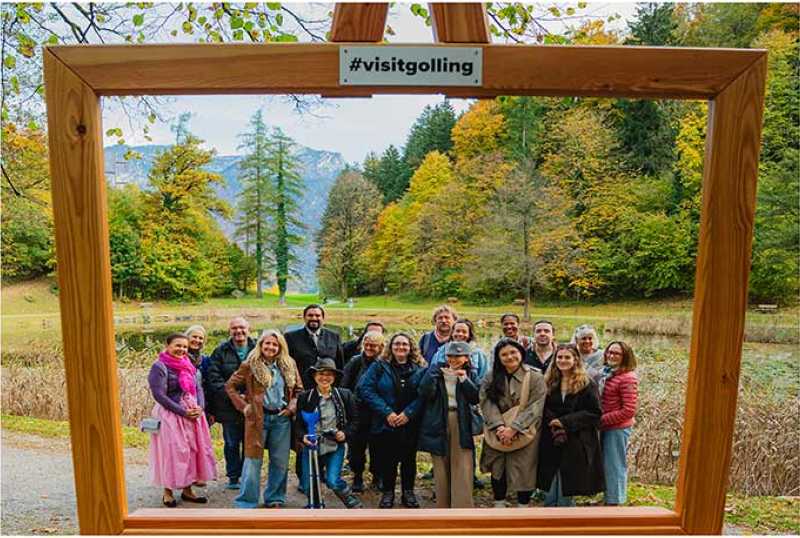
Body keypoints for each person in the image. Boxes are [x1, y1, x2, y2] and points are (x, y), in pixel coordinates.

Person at [224, 330, 303, 508]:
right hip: (258, 419)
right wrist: (244, 406)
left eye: (275, 344)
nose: (271, 347)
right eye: (267, 343)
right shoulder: (250, 364)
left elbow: (299, 390)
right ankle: (247, 501)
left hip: (281, 419)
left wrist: (291, 407)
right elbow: (230, 386)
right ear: (261, 345)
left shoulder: (289, 364)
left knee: (280, 461)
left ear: (280, 347)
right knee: (253, 461)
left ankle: (275, 498)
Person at [357, 332, 426, 509]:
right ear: (390, 347)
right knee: (388, 459)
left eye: (404, 344)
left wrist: (409, 413)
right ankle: (388, 493)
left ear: (411, 347)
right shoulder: (380, 366)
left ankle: (408, 493)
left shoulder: (420, 368)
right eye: (397, 344)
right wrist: (387, 412)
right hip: (386, 421)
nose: (400, 347)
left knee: (409, 459)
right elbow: (366, 389)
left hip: (410, 422)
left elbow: (424, 394)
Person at [147, 333, 216, 507]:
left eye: (185, 347)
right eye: (177, 345)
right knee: (172, 452)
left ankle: (187, 490)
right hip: (171, 414)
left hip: (192, 414)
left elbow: (198, 388)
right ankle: (168, 492)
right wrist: (183, 412)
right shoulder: (159, 367)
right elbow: (159, 395)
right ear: (167, 345)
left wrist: (200, 407)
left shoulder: (188, 365)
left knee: (191, 451)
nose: (182, 349)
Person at [480, 338, 546, 507]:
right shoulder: (491, 376)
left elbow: (536, 406)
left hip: (525, 429)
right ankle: (499, 503)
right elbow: (486, 402)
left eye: (513, 352)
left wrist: (514, 428)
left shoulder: (535, 377)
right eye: (504, 354)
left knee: (525, 468)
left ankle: (522, 506)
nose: (509, 357)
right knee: (498, 467)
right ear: (498, 357)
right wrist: (500, 427)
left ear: (521, 353)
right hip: (497, 429)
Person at [537, 344, 604, 507]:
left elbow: (594, 412)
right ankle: (549, 509)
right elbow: (542, 406)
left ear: (575, 360)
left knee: (568, 477)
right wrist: (553, 421)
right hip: (552, 435)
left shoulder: (587, 383)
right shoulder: (549, 381)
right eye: (559, 357)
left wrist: (565, 422)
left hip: (576, 438)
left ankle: (565, 511)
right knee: (551, 474)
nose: (563, 360)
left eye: (567, 357)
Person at [418, 341, 481, 508]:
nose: (454, 359)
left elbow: (475, 397)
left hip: (461, 420)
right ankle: (443, 505)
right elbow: (425, 392)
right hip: (439, 419)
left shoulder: (471, 374)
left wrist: (464, 379)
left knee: (462, 463)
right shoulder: (436, 371)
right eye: (450, 355)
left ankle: (462, 505)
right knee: (440, 463)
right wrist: (434, 373)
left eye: (458, 356)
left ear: (466, 358)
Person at [297, 357, 363, 508]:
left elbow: (355, 420)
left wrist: (345, 433)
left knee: (332, 480)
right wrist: (303, 437)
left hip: (334, 445)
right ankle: (316, 506)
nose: (324, 378)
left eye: (329, 374)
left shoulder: (344, 395)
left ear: (334, 377)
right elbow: (298, 425)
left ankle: (352, 502)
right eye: (321, 373)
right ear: (314, 376)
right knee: (307, 484)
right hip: (312, 445)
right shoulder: (305, 397)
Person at [206, 317, 256, 489]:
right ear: (230, 331)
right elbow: (214, 378)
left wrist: (249, 396)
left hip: (252, 405)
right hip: (228, 406)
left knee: (250, 442)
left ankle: (248, 475)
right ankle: (234, 477)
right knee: (232, 443)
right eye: (234, 328)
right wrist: (234, 396)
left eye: (242, 327)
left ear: (249, 329)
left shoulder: (257, 348)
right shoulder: (220, 351)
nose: (238, 331)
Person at [341, 330, 385, 492]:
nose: (369, 348)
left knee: (378, 447)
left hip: (378, 412)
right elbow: (344, 385)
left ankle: (377, 476)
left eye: (373, 346)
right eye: (366, 345)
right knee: (356, 448)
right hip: (358, 411)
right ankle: (357, 476)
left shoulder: (385, 364)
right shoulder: (355, 362)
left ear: (381, 347)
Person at [599, 341, 638, 506]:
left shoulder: (628, 378)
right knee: (606, 464)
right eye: (609, 352)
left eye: (616, 354)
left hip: (617, 428)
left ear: (625, 357)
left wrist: (601, 420)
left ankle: (614, 502)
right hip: (606, 426)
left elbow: (628, 410)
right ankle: (609, 497)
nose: (611, 356)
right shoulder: (608, 373)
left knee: (614, 464)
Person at [284, 304, 345, 388]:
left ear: (323, 318)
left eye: (317, 315)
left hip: (328, 387)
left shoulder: (334, 336)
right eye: (310, 315)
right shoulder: (290, 337)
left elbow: (340, 364)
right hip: (303, 387)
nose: (314, 318)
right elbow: (287, 364)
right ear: (304, 318)